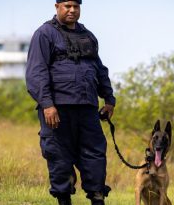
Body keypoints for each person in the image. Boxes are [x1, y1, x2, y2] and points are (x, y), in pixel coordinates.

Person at [25, 0, 116, 204]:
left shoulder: (88, 36)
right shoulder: (45, 34)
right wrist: (47, 104)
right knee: (59, 156)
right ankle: (64, 200)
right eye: (67, 6)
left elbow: (99, 69)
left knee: (95, 155)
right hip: (57, 109)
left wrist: (109, 98)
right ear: (57, 6)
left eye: (76, 6)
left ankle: (97, 198)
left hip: (87, 107)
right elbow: (36, 73)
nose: (72, 10)